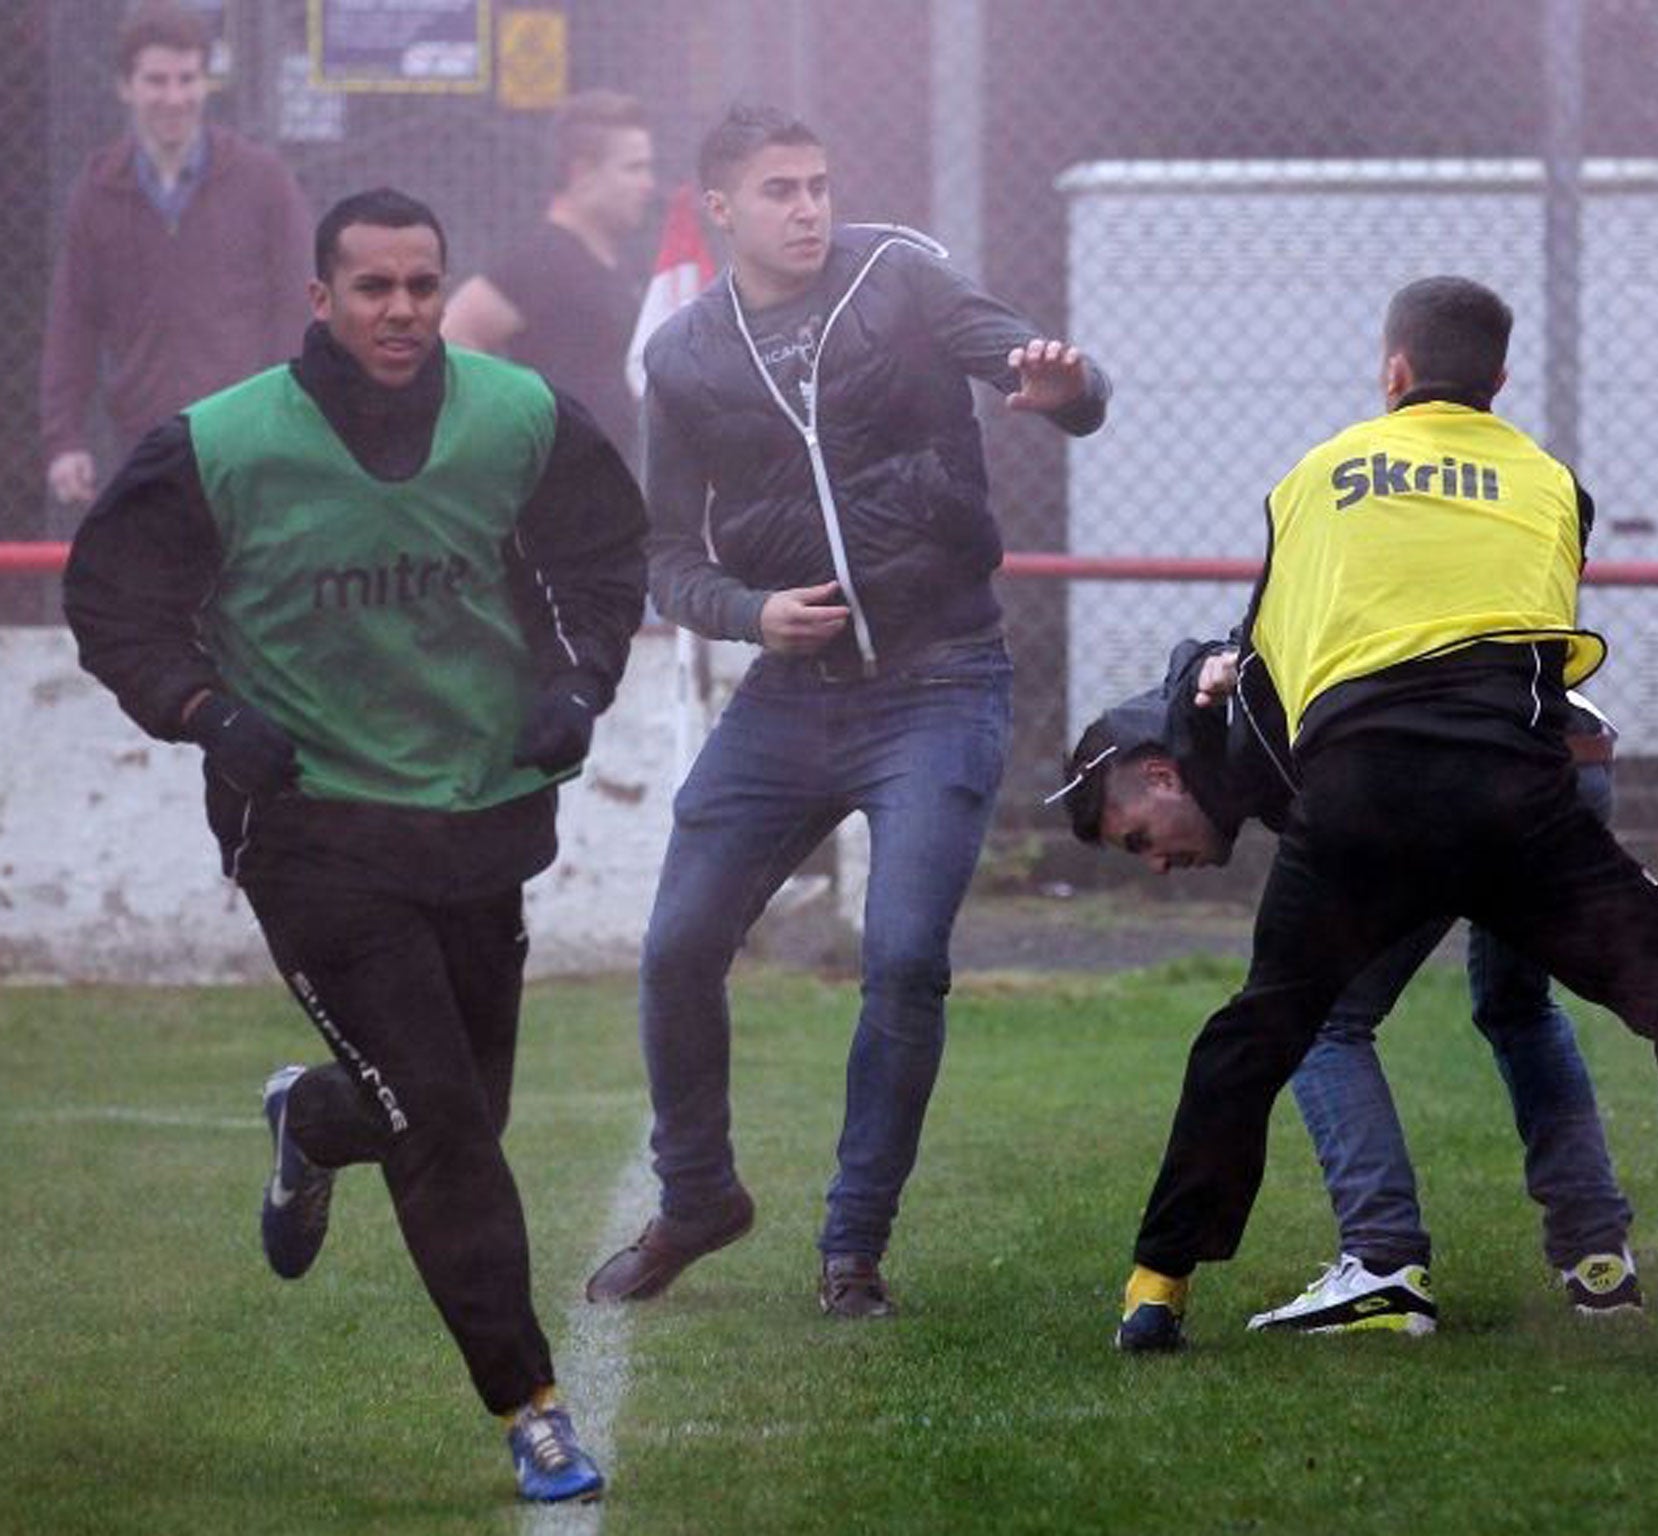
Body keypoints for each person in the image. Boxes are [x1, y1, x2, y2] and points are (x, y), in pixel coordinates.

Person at [62, 188, 648, 1502]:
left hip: (476, 816)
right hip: (312, 830)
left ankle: (311, 1121)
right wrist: (204, 712)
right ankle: (533, 1410)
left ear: (447, 292)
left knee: (450, 1111)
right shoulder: (222, 443)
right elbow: (107, 595)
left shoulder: (523, 417)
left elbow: (606, 556)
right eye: (372, 288)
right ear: (319, 300)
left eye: (421, 286)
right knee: (445, 1124)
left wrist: (581, 680)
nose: (400, 311)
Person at [1110, 276, 1658, 1377]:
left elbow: (1270, 666)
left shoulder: (1309, 476)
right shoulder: (1551, 483)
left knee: (1260, 1033)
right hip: (1518, 801)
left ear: (1391, 372)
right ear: (1499, 382)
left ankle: (1155, 1291)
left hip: (1361, 802)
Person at [584, 104, 1112, 1319]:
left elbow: (1053, 379)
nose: (808, 207)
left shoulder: (902, 276)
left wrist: (1068, 386)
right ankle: (698, 1197)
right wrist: (746, 615)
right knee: (674, 950)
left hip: (941, 680)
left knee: (903, 955)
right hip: (789, 694)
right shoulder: (684, 356)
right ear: (719, 208)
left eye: (818, 183)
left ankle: (851, 1244)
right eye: (779, 190)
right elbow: (663, 555)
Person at [1055, 640, 1639, 1333]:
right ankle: (1599, 1260)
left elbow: (1241, 663)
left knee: (1320, 1017)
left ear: (1160, 774)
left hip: (1468, 774)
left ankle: (1384, 1265)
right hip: (1570, 753)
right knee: (1518, 1006)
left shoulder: (1236, 714)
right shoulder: (1223, 704)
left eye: (1138, 840)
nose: (1154, 866)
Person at [40, 1, 311, 514]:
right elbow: (72, 324)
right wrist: (64, 441)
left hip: (247, 450)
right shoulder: (97, 193)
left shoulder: (264, 182)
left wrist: (290, 429)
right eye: (156, 81)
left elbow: (298, 312)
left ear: (206, 84)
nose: (174, 97)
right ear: (126, 87)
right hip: (145, 449)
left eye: (188, 79)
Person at [443, 90, 657, 463]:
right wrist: (514, 427)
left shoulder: (613, 261)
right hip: (556, 493)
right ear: (582, 172)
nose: (648, 184)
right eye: (633, 168)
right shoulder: (543, 258)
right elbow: (452, 336)